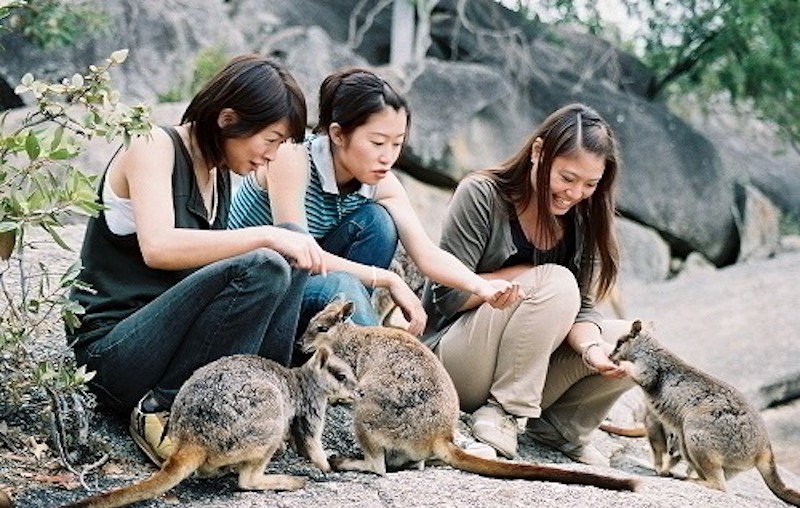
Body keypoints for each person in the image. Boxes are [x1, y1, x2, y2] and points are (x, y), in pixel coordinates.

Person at [66, 55, 324, 467]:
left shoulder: (219, 174)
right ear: (228, 119)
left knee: (289, 247)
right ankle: (158, 409)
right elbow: (158, 247)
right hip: (115, 352)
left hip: (173, 348)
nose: (272, 156)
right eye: (271, 140)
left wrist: (283, 240)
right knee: (267, 259)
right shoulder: (151, 145)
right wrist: (262, 235)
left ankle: (266, 400)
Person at [227, 67, 517, 344]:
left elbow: (426, 253)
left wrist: (481, 287)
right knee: (345, 286)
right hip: (248, 287)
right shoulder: (291, 157)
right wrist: (387, 279)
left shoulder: (382, 183)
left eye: (396, 144)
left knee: (378, 222)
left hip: (298, 289)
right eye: (378, 143)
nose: (388, 157)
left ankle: (337, 346)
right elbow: (300, 255)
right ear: (338, 135)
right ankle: (373, 363)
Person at [421, 103, 634, 466]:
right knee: (556, 281)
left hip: (524, 363)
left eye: (590, 184)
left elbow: (581, 308)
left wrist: (593, 351)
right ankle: (504, 412)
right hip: (453, 362)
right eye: (567, 178)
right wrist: (521, 277)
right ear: (538, 152)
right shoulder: (482, 194)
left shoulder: (585, 221)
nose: (576, 193)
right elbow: (448, 296)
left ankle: (559, 428)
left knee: (634, 342)